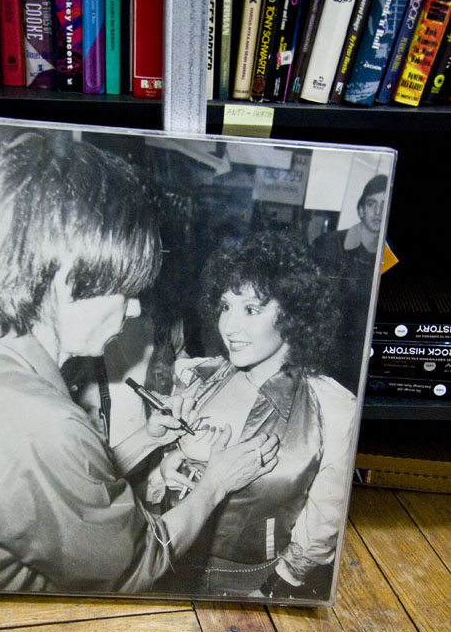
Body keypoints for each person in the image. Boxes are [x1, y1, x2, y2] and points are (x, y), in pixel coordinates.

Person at [0, 127, 278, 596]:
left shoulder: (3, 365)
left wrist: (147, 439)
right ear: (65, 283)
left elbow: (65, 489)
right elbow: (138, 561)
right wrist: (214, 483)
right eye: (125, 291)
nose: (133, 309)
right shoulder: (48, 427)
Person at [149, 232, 356, 600]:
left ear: (292, 313)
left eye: (251, 309)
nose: (228, 327)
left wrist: (272, 589)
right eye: (225, 306)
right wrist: (168, 470)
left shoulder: (332, 408)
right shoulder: (202, 377)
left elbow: (322, 526)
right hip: (168, 570)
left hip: (250, 588)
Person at [313, 174, 388, 392]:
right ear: (361, 210)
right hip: (326, 357)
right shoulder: (330, 244)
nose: (378, 212)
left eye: (384, 205)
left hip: (360, 362)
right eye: (372, 204)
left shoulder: (387, 257)